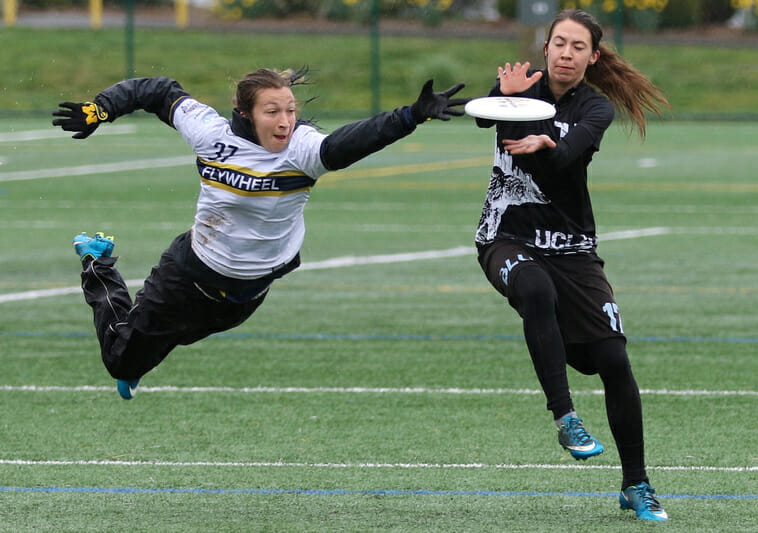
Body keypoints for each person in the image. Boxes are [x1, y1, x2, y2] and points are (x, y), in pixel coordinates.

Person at [53, 68, 467, 400]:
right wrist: (100, 109)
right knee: (122, 363)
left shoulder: (302, 148)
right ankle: (97, 261)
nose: (286, 121)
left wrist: (409, 116)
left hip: (245, 294)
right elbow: (158, 91)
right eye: (273, 111)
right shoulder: (211, 133)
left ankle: (142, 351)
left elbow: (347, 143)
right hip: (188, 273)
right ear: (247, 113)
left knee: (172, 336)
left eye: (290, 110)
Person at [472, 9, 670, 522]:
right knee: (535, 289)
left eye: (577, 46)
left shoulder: (596, 109)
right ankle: (566, 418)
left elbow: (561, 163)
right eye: (558, 43)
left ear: (593, 56)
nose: (565, 53)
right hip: (505, 236)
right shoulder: (520, 89)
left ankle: (637, 483)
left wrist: (538, 133)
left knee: (614, 362)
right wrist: (509, 97)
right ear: (545, 48)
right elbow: (481, 114)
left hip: (573, 246)